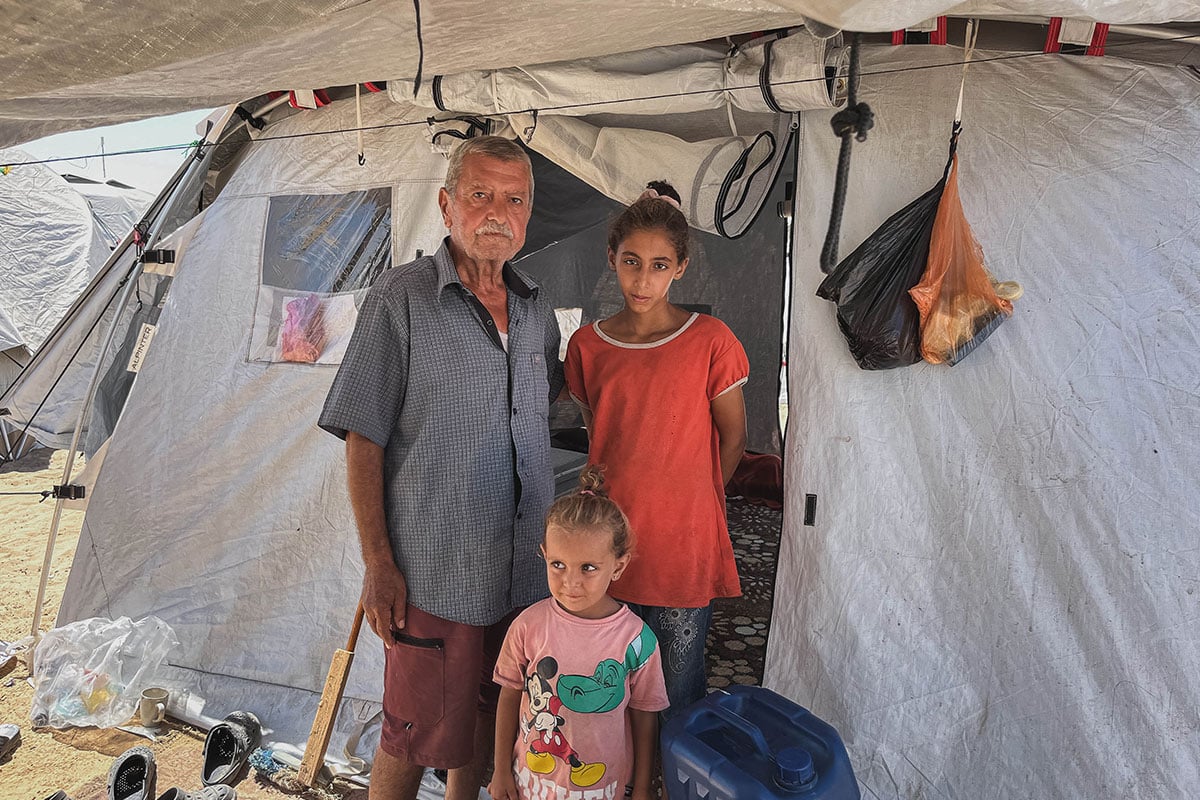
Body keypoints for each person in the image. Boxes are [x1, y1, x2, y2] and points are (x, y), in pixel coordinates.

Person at [318, 135, 564, 800]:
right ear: (447, 205)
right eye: (480, 195)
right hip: (435, 577)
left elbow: (544, 408)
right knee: (412, 734)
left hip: (523, 572)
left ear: (528, 214)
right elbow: (361, 437)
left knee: (492, 726)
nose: (496, 212)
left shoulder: (539, 309)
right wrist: (378, 563)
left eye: (514, 199)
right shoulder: (400, 298)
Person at [564, 181, 748, 717]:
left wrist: (700, 499)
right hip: (609, 538)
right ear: (612, 259)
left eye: (660, 265)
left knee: (676, 687)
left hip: (682, 541)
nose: (643, 280)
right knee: (608, 683)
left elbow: (733, 436)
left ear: (682, 267)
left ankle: (674, 779)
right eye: (631, 262)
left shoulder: (711, 340)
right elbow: (601, 431)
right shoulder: (588, 345)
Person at [488, 466, 669, 800]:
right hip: (532, 784)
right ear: (544, 554)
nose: (570, 583)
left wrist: (643, 787)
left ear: (618, 565)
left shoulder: (636, 641)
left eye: (588, 568)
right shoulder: (528, 626)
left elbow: (645, 716)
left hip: (600, 789)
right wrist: (500, 771)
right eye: (558, 565)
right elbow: (509, 696)